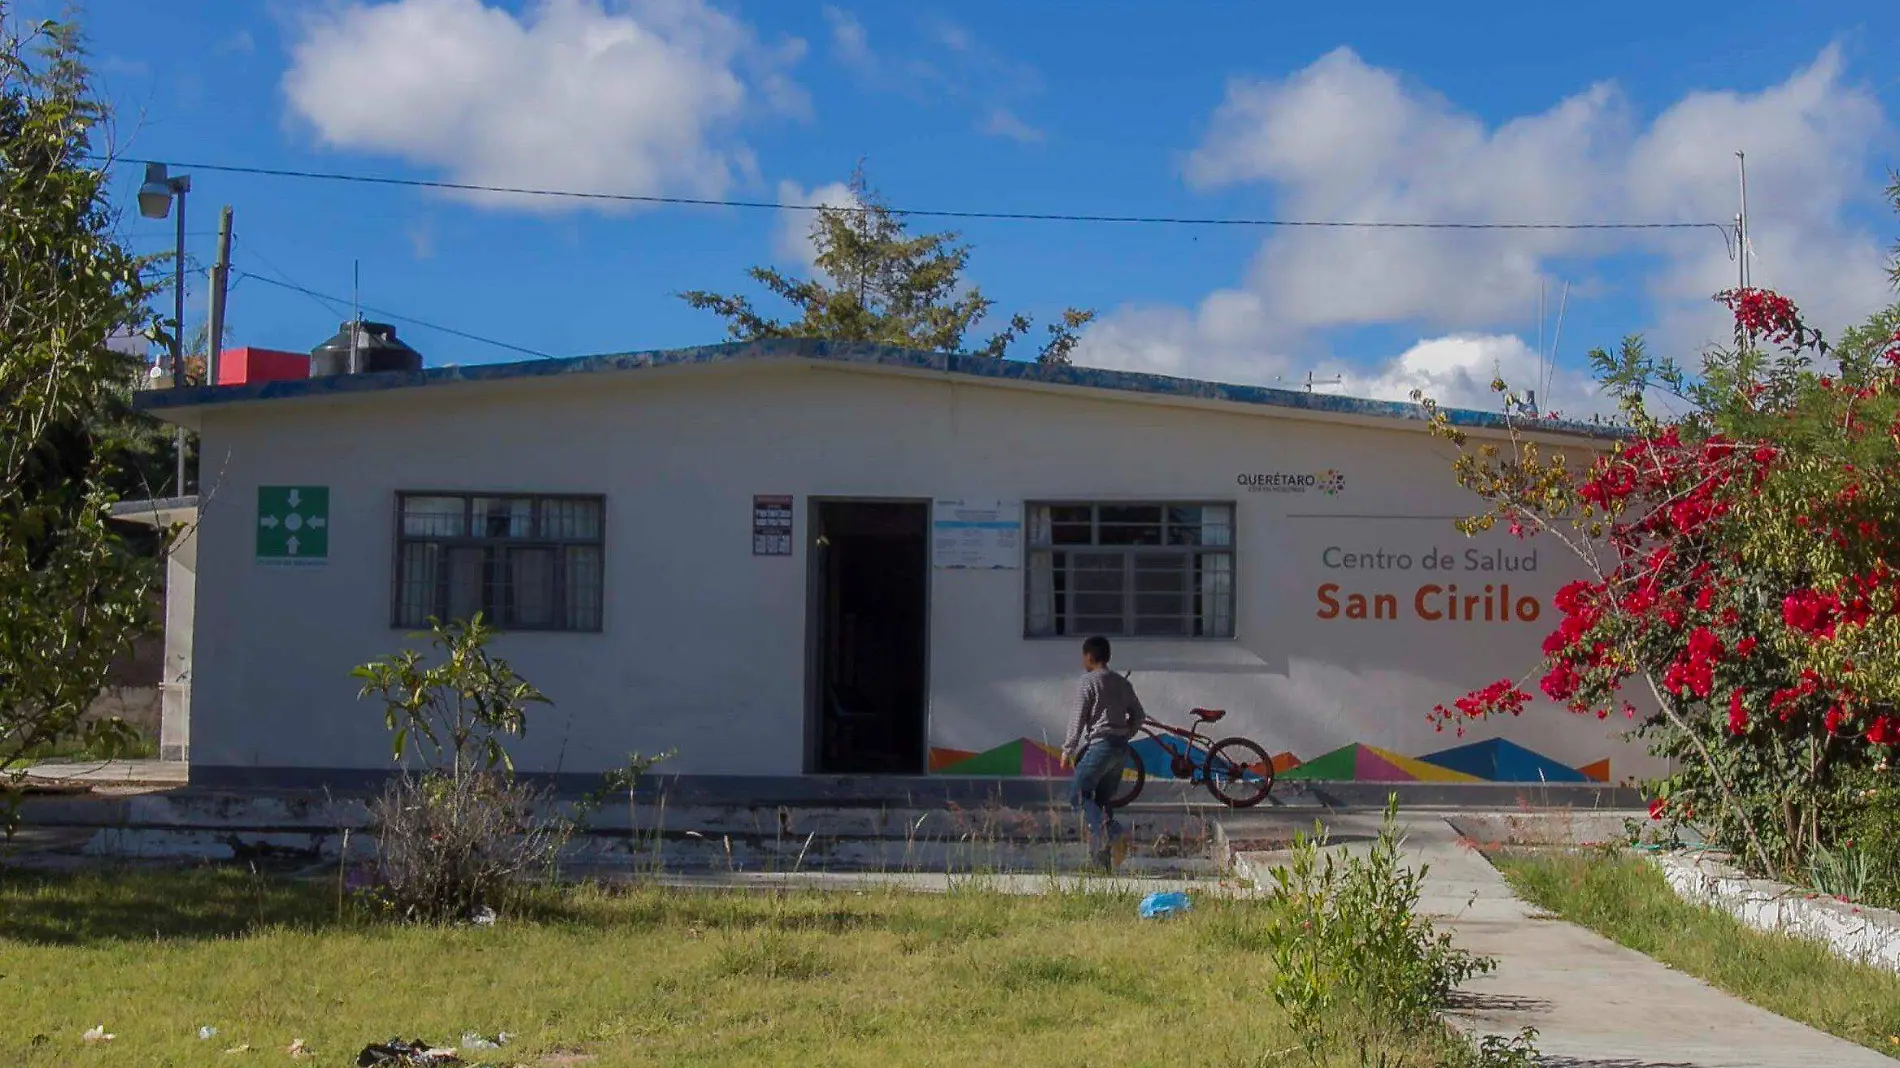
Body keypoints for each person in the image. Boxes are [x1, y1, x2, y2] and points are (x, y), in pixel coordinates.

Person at [1061, 635, 1146, 871]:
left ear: (1089, 656)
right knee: (1101, 803)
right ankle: (1102, 863)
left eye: (1083, 656)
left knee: (1078, 796)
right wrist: (1125, 734)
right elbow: (1139, 715)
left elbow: (1078, 718)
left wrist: (1068, 748)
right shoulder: (1122, 682)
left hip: (1100, 746)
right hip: (1120, 749)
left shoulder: (1088, 682)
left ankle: (1115, 833)